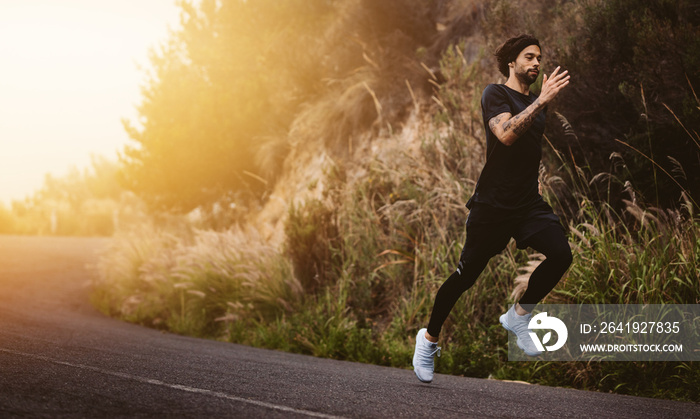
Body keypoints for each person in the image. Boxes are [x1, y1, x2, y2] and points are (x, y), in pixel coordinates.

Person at [412, 34, 573, 383]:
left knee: (561, 254)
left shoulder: (537, 104)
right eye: (528, 57)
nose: (536, 63)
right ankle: (428, 339)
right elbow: (506, 136)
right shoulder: (495, 94)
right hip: (493, 204)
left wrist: (537, 178)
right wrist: (542, 101)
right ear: (511, 62)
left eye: (539, 58)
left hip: (528, 202)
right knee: (465, 277)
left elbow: (528, 149)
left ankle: (519, 315)